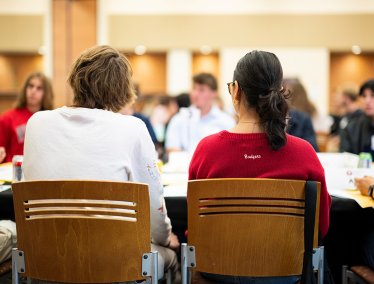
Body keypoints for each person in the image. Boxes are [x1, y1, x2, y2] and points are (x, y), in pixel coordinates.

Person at [23, 45, 180, 283]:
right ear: (122, 88)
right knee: (171, 257)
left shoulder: (37, 123)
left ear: (76, 79)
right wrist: (166, 239)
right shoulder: (132, 128)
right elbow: (154, 206)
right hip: (116, 265)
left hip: (46, 260)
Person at [189, 50, 332, 283]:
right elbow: (321, 227)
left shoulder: (207, 150)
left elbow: (193, 228)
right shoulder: (303, 152)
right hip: (285, 272)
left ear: (236, 90)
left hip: (218, 270)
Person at [165, 73, 235, 153]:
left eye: (201, 90)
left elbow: (230, 152)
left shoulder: (226, 122)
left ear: (214, 94)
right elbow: (172, 149)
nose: (195, 94)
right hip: (184, 165)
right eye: (194, 88)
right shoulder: (179, 119)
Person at [0, 72, 54, 163]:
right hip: (13, 172)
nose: (33, 91)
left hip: (41, 173)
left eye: (39, 88)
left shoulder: (51, 119)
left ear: (46, 93)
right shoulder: (7, 118)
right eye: (30, 86)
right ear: (25, 89)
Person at [340, 80, 374, 157]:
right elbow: (346, 157)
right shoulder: (351, 128)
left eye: (372, 95)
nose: (367, 100)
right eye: (364, 96)